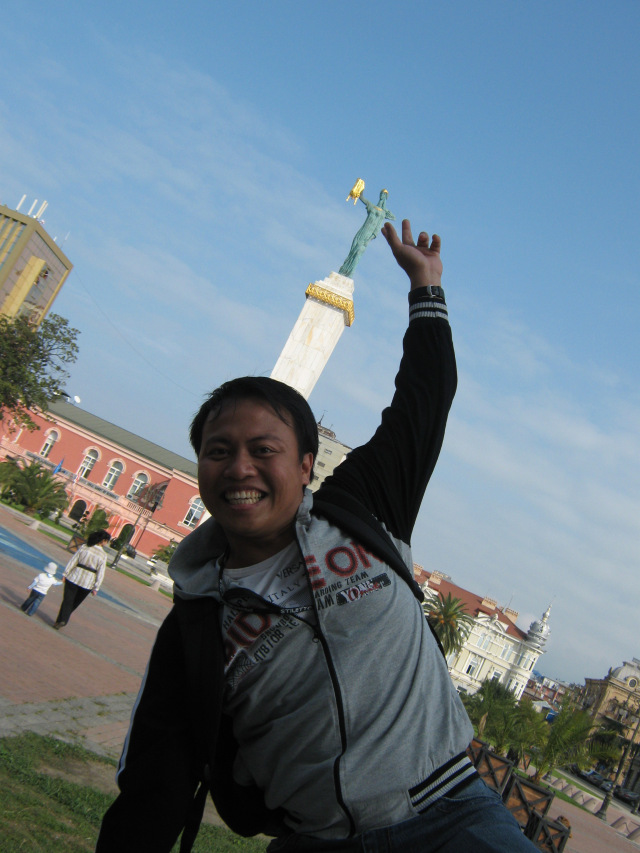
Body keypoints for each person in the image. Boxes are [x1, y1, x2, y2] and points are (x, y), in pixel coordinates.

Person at [97, 220, 536, 852]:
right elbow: (155, 783)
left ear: (307, 464)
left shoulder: (364, 509)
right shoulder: (195, 624)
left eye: (263, 449)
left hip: (451, 818)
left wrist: (426, 288)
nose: (240, 467)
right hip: (318, 842)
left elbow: (423, 401)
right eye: (218, 450)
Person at [54, 529, 110, 629]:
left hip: (74, 576)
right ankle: (61, 620)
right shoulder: (103, 555)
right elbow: (101, 572)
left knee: (67, 600)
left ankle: (61, 620)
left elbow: (73, 560)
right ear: (103, 541)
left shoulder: (85, 547)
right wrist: (96, 587)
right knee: (74, 603)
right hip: (88, 582)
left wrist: (65, 573)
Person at [338, 189, 396, 277]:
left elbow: (392, 218)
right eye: (381, 194)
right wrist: (360, 186)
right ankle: (344, 270)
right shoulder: (372, 206)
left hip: (368, 235)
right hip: (362, 231)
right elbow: (361, 197)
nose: (382, 196)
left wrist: (370, 238)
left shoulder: (383, 213)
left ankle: (350, 272)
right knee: (353, 250)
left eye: (384, 195)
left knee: (359, 251)